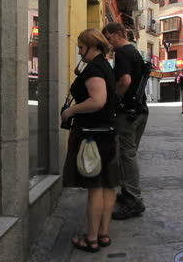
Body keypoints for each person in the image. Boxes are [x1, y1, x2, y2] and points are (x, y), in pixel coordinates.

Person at [61, 28, 119, 253]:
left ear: (92, 46)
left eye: (80, 46)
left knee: (96, 188)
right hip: (107, 133)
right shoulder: (104, 65)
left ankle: (91, 238)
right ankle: (103, 234)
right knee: (107, 186)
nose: (78, 50)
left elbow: (97, 100)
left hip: (92, 135)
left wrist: (71, 111)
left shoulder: (94, 68)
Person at [102, 22, 147, 220]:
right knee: (129, 155)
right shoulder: (134, 52)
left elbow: (125, 81)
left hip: (127, 112)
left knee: (126, 156)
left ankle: (134, 201)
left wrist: (114, 101)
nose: (108, 42)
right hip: (139, 112)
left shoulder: (122, 53)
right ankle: (129, 193)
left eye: (109, 37)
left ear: (119, 33)